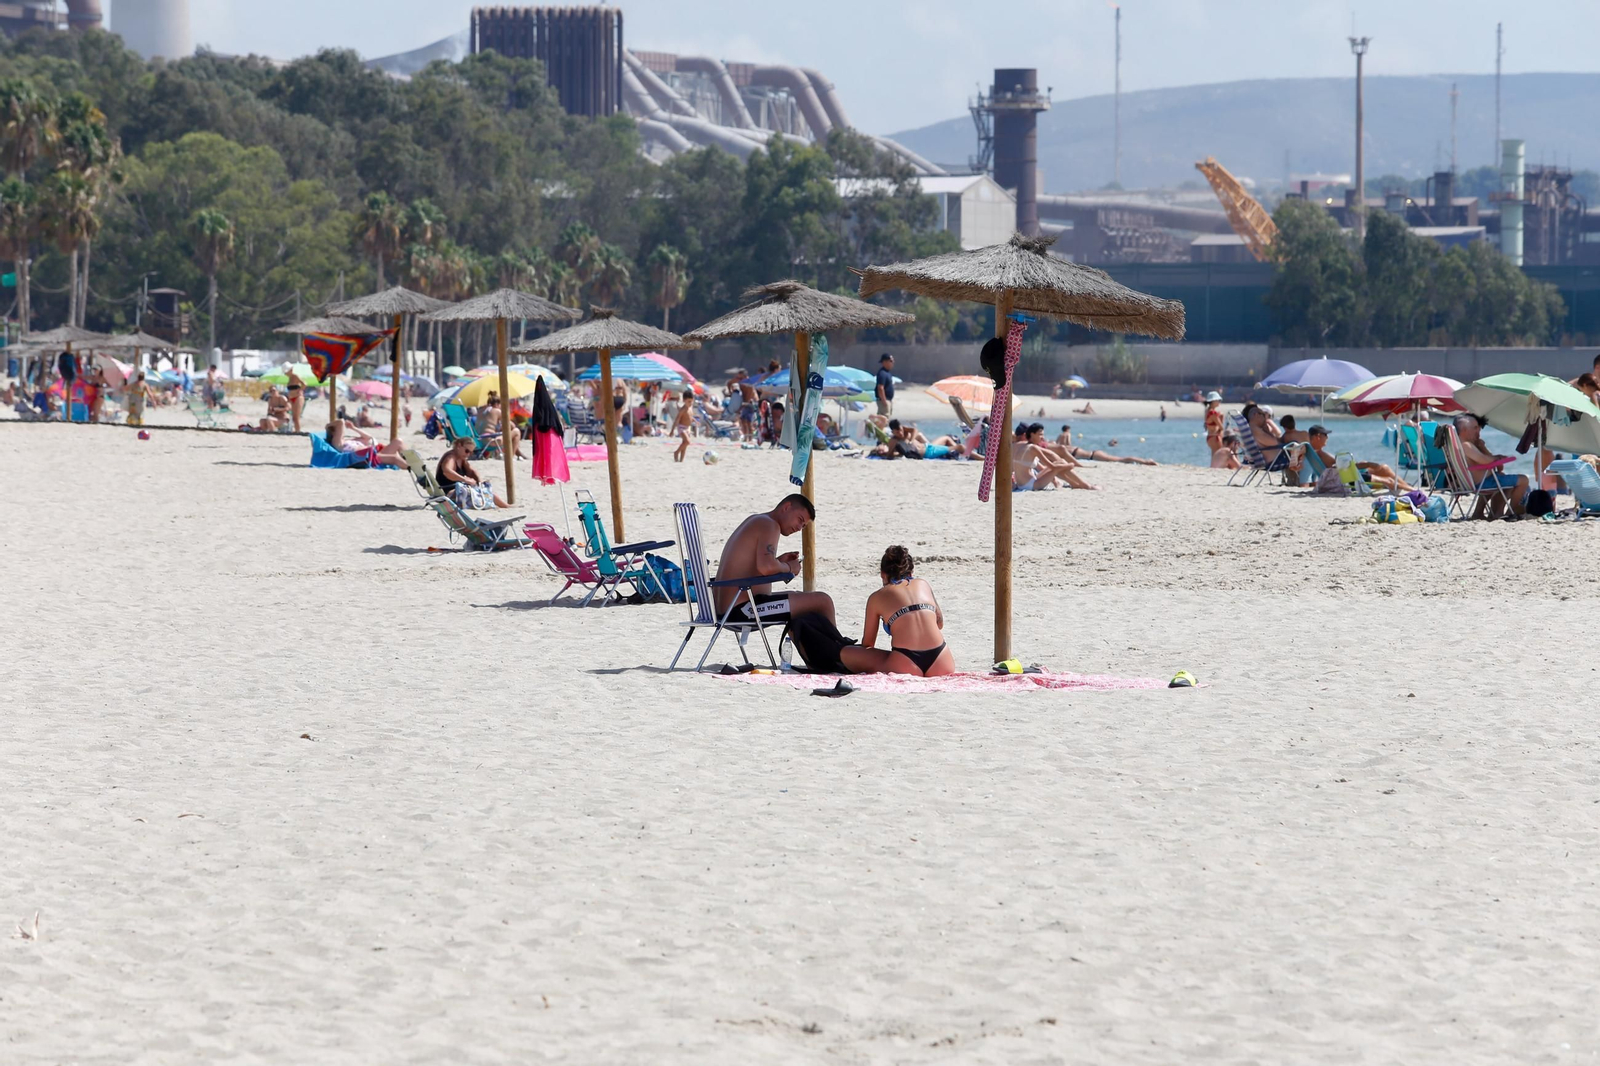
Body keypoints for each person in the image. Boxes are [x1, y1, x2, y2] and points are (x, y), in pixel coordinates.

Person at [712, 494, 835, 626]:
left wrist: (779, 562)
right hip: (742, 611)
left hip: (722, 609)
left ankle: (818, 646)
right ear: (786, 507)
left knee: (802, 602)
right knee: (823, 601)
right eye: (800, 519)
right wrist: (789, 567)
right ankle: (838, 646)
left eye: (803, 526)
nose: (799, 528)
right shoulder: (770, 524)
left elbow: (752, 568)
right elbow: (766, 568)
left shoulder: (756, 520)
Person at [838, 546, 955, 677]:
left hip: (905, 663)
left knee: (846, 652)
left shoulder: (877, 597)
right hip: (942, 661)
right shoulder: (923, 584)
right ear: (911, 572)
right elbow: (939, 624)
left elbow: (868, 644)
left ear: (883, 574)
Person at [1295, 424, 1413, 494]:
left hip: (1346, 475)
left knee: (1384, 468)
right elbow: (1345, 467)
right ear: (1318, 437)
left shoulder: (1315, 454)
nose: (1328, 438)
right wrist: (1368, 464)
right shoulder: (1321, 454)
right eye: (1326, 435)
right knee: (1388, 480)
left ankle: (1409, 487)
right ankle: (1413, 491)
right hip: (1348, 478)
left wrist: (1366, 464)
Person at [1455, 414, 1527, 518]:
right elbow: (1485, 461)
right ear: (1464, 430)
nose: (1477, 432)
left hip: (1478, 481)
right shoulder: (1466, 445)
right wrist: (1497, 458)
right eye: (1475, 428)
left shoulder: (1460, 445)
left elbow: (1494, 466)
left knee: (1502, 477)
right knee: (1523, 480)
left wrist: (1482, 448)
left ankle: (1491, 513)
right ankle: (1511, 512)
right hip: (1482, 483)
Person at [1014, 423, 1094, 490]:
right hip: (1030, 485)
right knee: (1059, 464)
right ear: (1032, 434)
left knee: (1059, 463)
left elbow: (1046, 467)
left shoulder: (1024, 446)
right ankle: (1085, 485)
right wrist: (1069, 465)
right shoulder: (1033, 448)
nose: (1042, 437)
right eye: (1040, 435)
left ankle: (1075, 484)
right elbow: (1052, 467)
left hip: (1024, 483)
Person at [436, 435, 509, 507]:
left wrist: (479, 481)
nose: (468, 454)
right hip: (447, 492)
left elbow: (472, 471)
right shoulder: (451, 457)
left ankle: (505, 506)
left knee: (483, 489)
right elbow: (447, 471)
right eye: (467, 451)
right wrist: (464, 479)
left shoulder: (461, 459)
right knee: (476, 492)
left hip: (458, 490)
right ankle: (505, 506)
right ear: (458, 446)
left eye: (471, 453)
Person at [1052, 424, 1158, 465]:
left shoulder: (1062, 445)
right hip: (1093, 453)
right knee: (1121, 459)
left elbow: (1059, 444)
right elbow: (1067, 444)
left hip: (1094, 456)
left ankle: (1146, 461)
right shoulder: (1066, 445)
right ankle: (1146, 461)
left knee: (1121, 459)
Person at [477, 392, 526, 458]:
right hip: (490, 441)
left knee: (506, 433)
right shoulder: (497, 411)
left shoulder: (480, 410)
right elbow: (512, 426)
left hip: (478, 441)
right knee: (516, 431)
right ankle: (511, 457)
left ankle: (518, 453)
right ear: (497, 404)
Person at [672, 389, 696, 462]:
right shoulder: (683, 409)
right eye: (689, 401)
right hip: (681, 428)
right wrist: (672, 431)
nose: (690, 403)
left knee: (684, 445)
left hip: (687, 428)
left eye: (692, 401)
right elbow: (677, 419)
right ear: (684, 400)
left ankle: (681, 460)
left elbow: (690, 416)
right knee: (687, 442)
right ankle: (676, 452)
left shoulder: (690, 408)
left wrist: (693, 420)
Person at [285, 367, 306, 432]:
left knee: (296, 416)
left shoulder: (295, 376)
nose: (285, 373)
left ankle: (298, 430)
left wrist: (300, 390)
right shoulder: (289, 378)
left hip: (298, 397)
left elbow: (304, 384)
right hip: (292, 398)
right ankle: (297, 430)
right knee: (294, 417)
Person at [875, 353, 895, 417]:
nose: (893, 363)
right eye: (891, 361)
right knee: (884, 418)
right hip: (884, 400)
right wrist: (884, 401)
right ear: (885, 362)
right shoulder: (882, 373)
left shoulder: (887, 373)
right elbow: (880, 388)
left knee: (886, 418)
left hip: (888, 399)